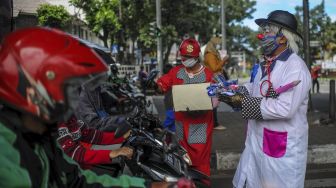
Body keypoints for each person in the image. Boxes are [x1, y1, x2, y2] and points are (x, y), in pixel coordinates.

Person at [0, 27, 190, 188]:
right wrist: (112, 152)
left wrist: (146, 186)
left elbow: (78, 180)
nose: (74, 97)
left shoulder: (41, 139)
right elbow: (80, 150)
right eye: (68, 88)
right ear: (33, 90)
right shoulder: (6, 158)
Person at [218, 10, 311, 188]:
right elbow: (257, 88)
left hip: (281, 150)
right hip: (259, 141)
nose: (262, 35)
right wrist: (232, 91)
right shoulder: (268, 62)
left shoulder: (295, 67)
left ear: (282, 38)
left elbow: (285, 108)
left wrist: (244, 103)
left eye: (268, 31)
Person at [156, 38, 214, 177]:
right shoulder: (176, 72)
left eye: (189, 57)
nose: (185, 59)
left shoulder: (208, 75)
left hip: (201, 126)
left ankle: (202, 185)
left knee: (200, 163)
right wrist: (157, 86)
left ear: (196, 57)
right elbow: (162, 84)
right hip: (181, 127)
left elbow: (215, 98)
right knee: (183, 161)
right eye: (183, 56)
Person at [57, 115, 132, 175]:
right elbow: (74, 152)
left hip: (83, 165)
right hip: (72, 173)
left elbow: (88, 134)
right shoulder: (56, 121)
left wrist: (121, 137)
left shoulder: (69, 115)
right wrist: (112, 153)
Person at [203, 37, 229, 130]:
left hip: (213, 80)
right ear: (213, 44)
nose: (219, 45)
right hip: (212, 80)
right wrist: (223, 61)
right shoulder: (210, 54)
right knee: (214, 102)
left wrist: (223, 61)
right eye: (218, 43)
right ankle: (214, 124)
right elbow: (214, 68)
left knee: (213, 102)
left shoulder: (212, 54)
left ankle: (212, 123)